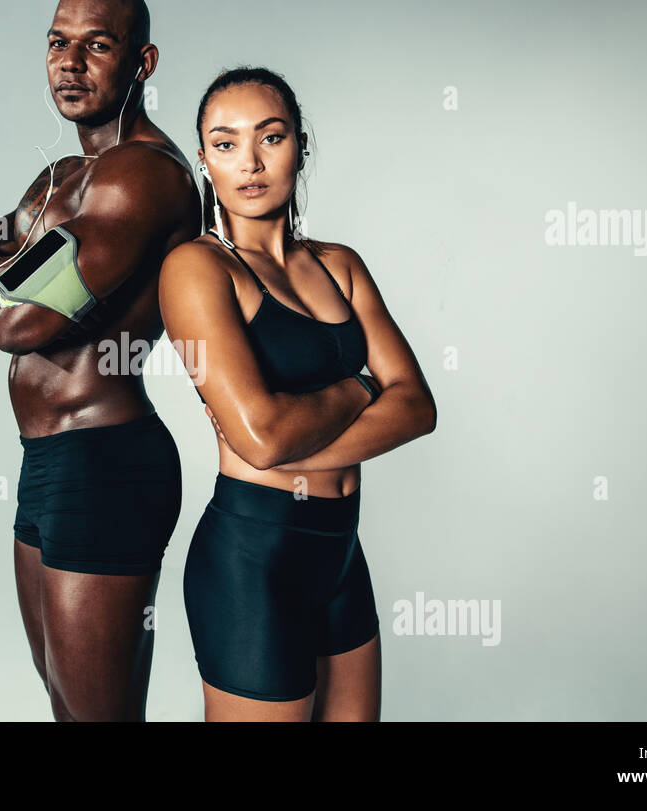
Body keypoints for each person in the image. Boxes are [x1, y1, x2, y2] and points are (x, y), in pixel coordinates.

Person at [0, 0, 200, 721]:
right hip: (46, 460)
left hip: (105, 462)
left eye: (96, 45)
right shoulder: (60, 178)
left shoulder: (140, 179)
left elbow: (16, 321)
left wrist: (8, 276)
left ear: (141, 63)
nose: (69, 62)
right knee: (63, 701)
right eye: (57, 43)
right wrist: (20, 273)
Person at [159, 67, 438, 721]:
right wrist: (358, 388)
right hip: (252, 561)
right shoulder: (197, 268)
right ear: (204, 160)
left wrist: (291, 434)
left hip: (341, 555)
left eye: (271, 137)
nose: (249, 162)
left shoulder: (339, 265)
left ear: (300, 146)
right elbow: (263, 438)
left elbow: (418, 406)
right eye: (225, 144)